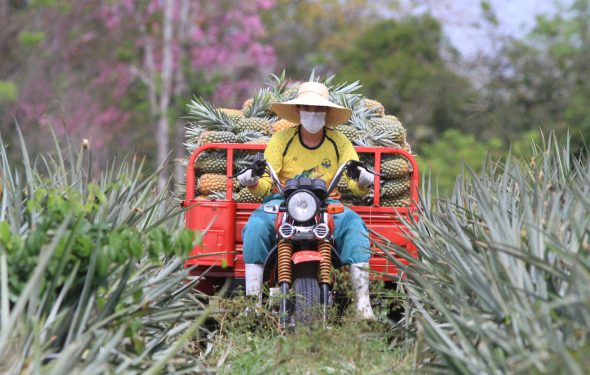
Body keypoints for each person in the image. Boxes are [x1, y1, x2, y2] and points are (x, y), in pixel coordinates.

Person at [237, 81, 376, 320]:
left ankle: (363, 304)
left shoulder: (339, 142)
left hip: (326, 202)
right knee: (256, 226)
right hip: (282, 201)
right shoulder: (282, 139)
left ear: (327, 112)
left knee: (354, 226)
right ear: (299, 110)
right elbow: (266, 184)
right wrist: (252, 182)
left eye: (319, 109)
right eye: (308, 108)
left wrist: (363, 181)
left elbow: (354, 178)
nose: (313, 114)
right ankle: (252, 303)